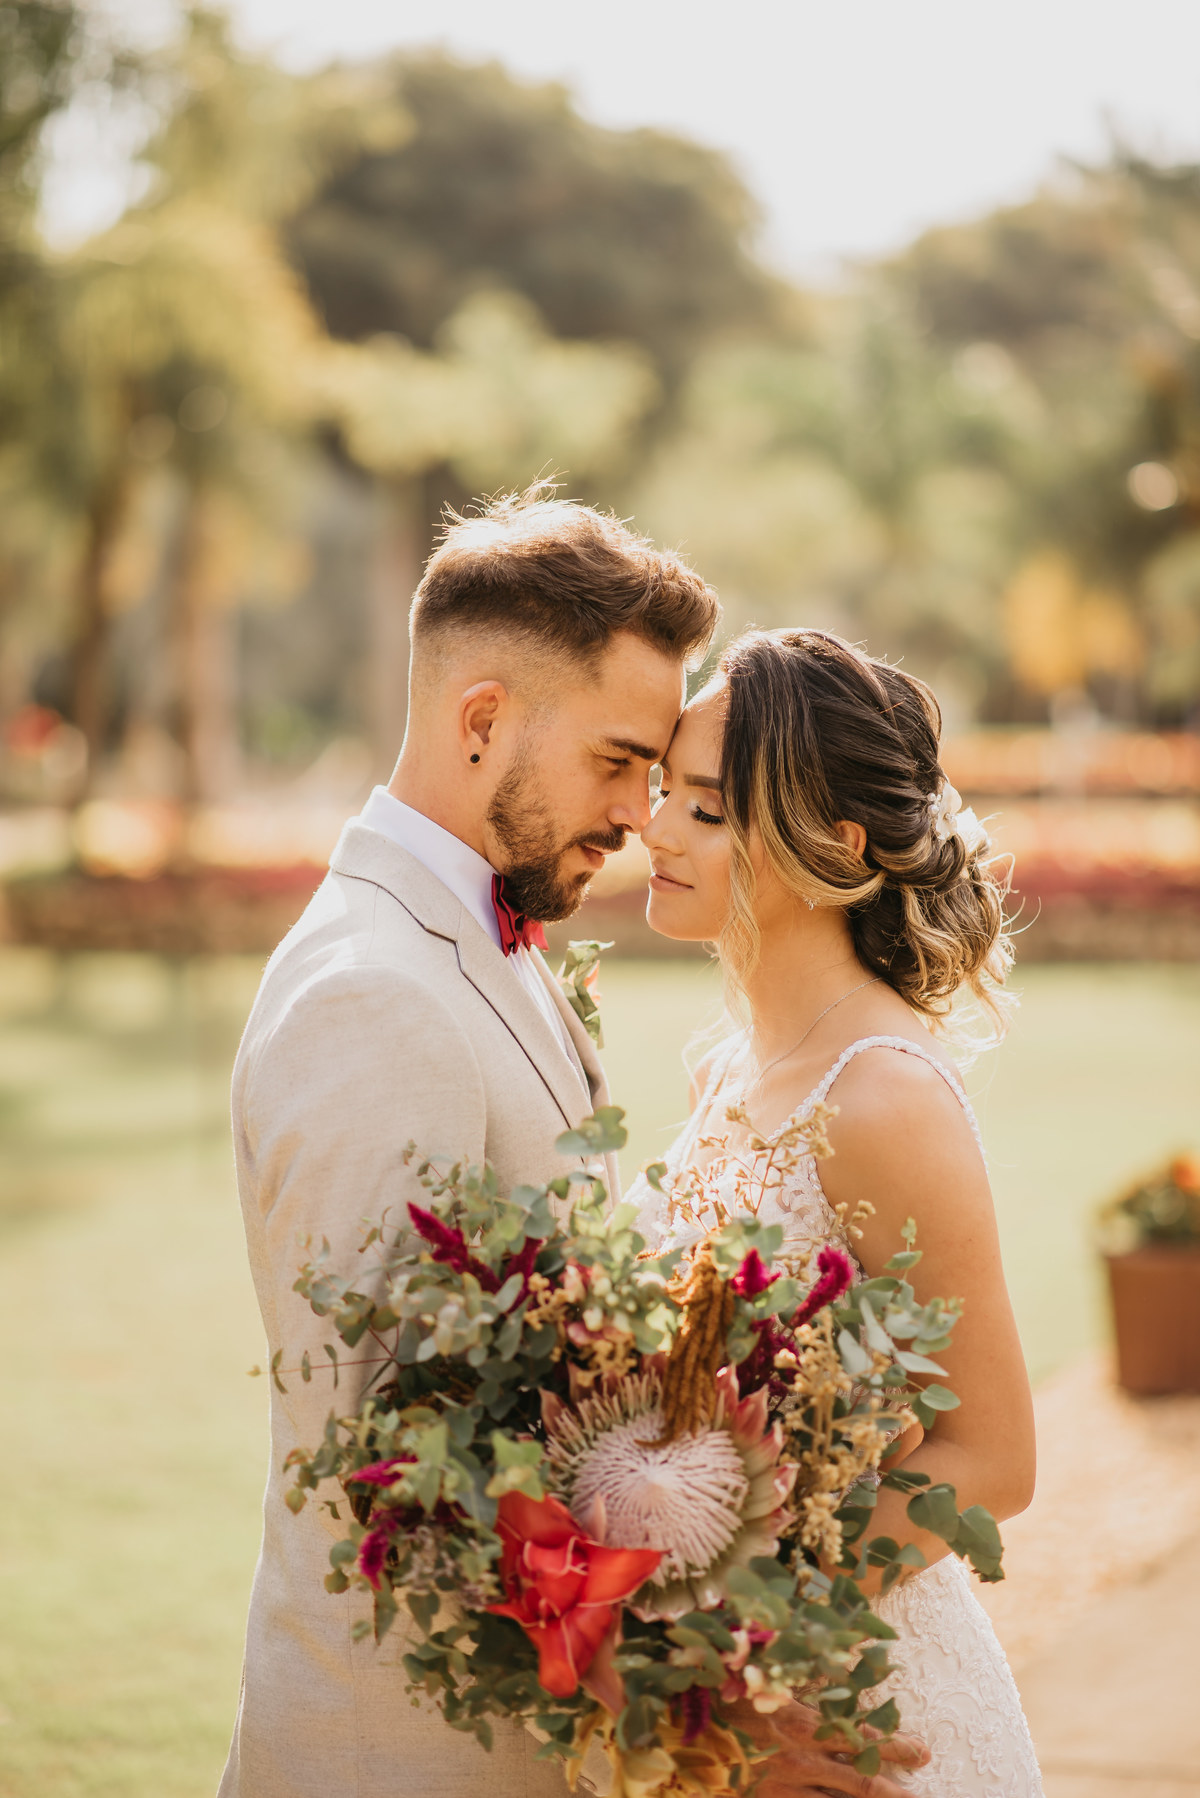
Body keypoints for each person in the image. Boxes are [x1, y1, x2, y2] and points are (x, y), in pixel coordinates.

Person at [218, 489, 715, 1798]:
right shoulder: (371, 993)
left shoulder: (486, 941)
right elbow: (392, 1451)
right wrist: (680, 1681)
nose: (642, 811)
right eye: (618, 760)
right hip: (401, 1753)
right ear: (481, 718)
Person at [635, 625, 1043, 1798]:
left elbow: (994, 1456)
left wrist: (756, 1629)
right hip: (736, 1712)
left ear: (834, 845)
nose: (656, 830)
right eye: (663, 791)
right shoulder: (726, 1068)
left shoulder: (881, 1095)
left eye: (707, 810)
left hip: (862, 1712)